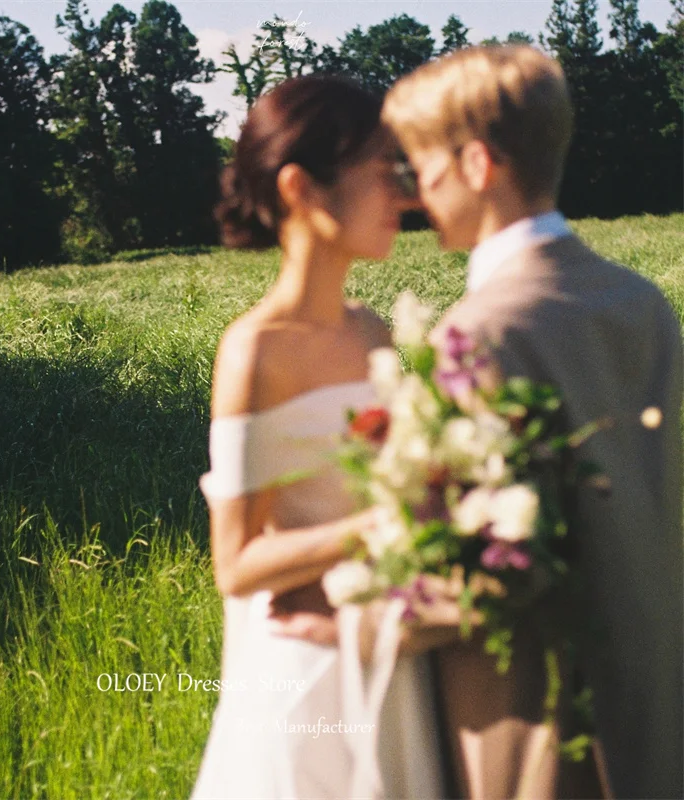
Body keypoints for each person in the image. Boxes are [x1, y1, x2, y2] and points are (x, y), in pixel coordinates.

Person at [281, 44, 683, 799]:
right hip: (656, 714)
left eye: (420, 166)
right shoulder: (643, 304)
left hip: (542, 736)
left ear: (476, 164)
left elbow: (500, 573)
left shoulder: (480, 334)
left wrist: (344, 618)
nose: (410, 191)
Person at [191, 74, 447, 800]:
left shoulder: (373, 332)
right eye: (383, 173)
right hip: (303, 676)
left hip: (386, 646)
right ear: (302, 188)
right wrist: (382, 525)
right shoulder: (254, 352)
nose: (404, 196)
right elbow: (236, 563)